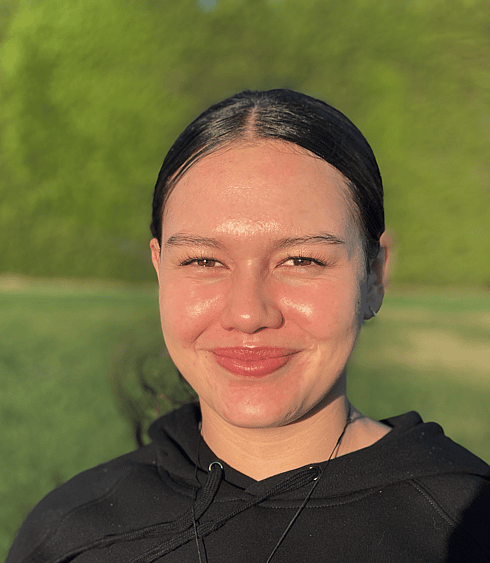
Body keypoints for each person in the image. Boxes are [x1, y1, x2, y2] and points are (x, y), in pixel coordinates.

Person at [7, 89, 490, 563]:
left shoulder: (468, 526)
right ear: (160, 270)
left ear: (374, 275)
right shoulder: (70, 535)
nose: (248, 314)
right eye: (203, 261)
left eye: (300, 260)